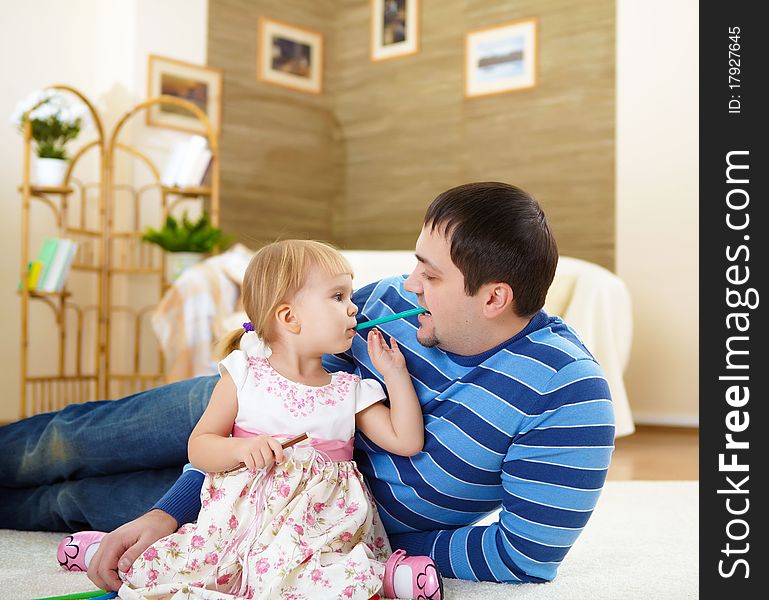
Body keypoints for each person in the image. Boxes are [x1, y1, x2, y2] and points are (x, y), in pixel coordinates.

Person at [0, 182, 615, 592]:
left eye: (430, 274)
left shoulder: (565, 397)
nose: (408, 283)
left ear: (494, 298)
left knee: (69, 505)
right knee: (65, 442)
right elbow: (281, 372)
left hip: (288, 524)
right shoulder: (395, 303)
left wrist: (369, 549)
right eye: (414, 263)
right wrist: (174, 509)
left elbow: (525, 556)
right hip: (236, 422)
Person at [65, 240, 442, 600]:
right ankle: (109, 551)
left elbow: (406, 441)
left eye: (349, 296)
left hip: (314, 534)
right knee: (196, 565)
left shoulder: (350, 390)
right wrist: (242, 448)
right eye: (338, 296)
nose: (353, 308)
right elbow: (200, 447)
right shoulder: (243, 374)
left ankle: (387, 575)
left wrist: (395, 376)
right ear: (289, 317)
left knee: (311, 576)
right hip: (238, 522)